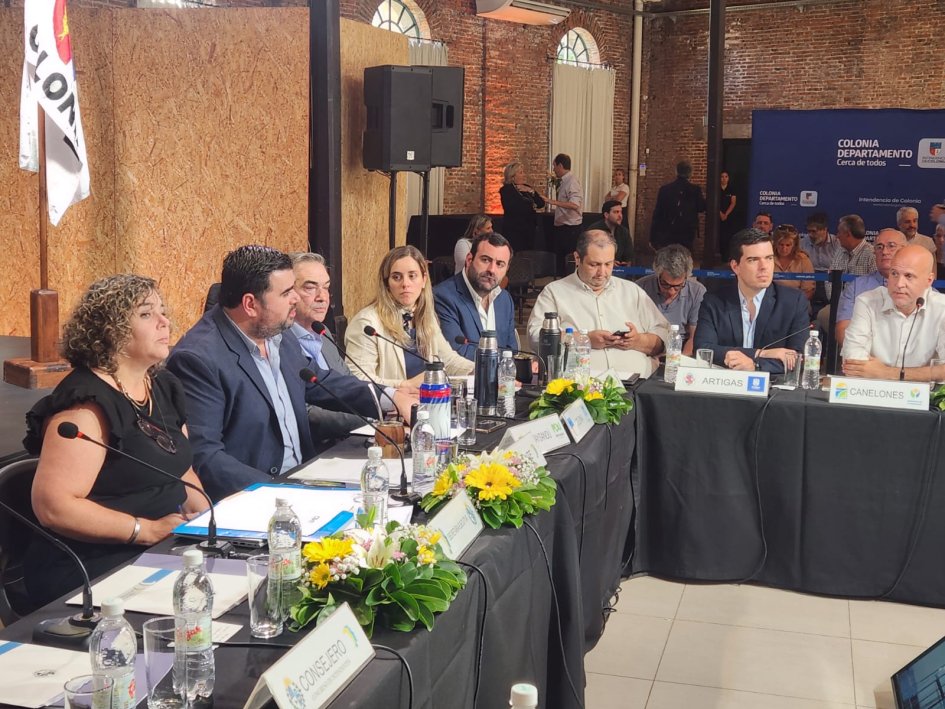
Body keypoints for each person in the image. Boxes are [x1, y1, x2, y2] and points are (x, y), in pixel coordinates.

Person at [23, 275, 210, 606]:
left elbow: (181, 469)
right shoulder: (85, 407)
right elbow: (54, 506)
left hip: (165, 546)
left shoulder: (162, 386)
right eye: (146, 314)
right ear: (110, 331)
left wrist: (210, 525)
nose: (164, 322)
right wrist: (144, 530)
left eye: (163, 311)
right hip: (96, 563)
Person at [167, 245, 316, 501]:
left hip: (303, 480)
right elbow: (204, 455)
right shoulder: (198, 358)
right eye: (286, 292)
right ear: (250, 304)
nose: (296, 299)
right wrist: (280, 492)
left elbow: (318, 381)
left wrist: (386, 397)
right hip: (253, 496)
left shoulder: (277, 333)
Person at [290, 252, 414, 441]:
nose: (322, 297)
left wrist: (391, 400)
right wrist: (376, 418)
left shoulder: (322, 332)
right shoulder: (280, 342)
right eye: (310, 288)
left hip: (347, 440)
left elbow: (349, 383)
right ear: (288, 293)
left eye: (326, 288)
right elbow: (307, 413)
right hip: (315, 448)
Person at [527, 229, 669, 378]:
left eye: (608, 264)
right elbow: (536, 337)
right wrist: (584, 340)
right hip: (579, 385)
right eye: (594, 265)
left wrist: (638, 341)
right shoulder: (555, 292)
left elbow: (665, 336)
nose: (602, 273)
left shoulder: (632, 291)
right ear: (577, 258)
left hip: (638, 383)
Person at [346, 245, 474, 389]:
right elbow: (357, 379)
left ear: (424, 279)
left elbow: (447, 361)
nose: (405, 284)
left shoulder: (425, 316)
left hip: (426, 399)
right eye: (396, 277)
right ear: (387, 283)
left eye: (412, 276)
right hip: (391, 403)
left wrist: (478, 371)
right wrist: (404, 385)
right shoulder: (366, 323)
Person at [694, 228, 810, 373]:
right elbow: (702, 350)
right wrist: (761, 353)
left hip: (772, 385)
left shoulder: (793, 302)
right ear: (735, 266)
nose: (764, 267)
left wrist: (755, 366)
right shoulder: (714, 301)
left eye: (769, 258)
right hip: (725, 382)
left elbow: (799, 358)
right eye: (753, 260)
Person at [842, 245, 945, 381]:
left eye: (909, 276)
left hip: (923, 394)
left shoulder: (941, 308)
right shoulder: (867, 302)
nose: (899, 284)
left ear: (929, 281)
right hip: (873, 391)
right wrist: (926, 374)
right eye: (894, 274)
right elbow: (853, 363)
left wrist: (887, 373)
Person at [434, 232, 516, 359]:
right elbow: (457, 353)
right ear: (469, 260)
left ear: (507, 269)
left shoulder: (505, 300)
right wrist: (503, 363)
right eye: (485, 260)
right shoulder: (443, 296)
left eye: (500, 264)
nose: (492, 270)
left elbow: (512, 351)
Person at [834, 229, 907, 346]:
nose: (884, 251)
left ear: (905, 250)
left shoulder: (919, 288)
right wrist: (865, 355)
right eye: (879, 247)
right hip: (863, 353)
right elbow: (843, 330)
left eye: (891, 246)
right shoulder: (857, 287)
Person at [636, 244, 706, 356]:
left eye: (678, 286)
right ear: (657, 274)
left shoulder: (697, 291)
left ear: (686, 277)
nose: (671, 291)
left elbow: (694, 338)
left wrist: (679, 361)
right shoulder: (640, 288)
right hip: (648, 348)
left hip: (680, 351)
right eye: (665, 284)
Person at [650, 160, 706, 251]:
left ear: (676, 172)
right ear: (690, 173)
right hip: (687, 230)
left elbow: (657, 213)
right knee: (685, 254)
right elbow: (701, 207)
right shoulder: (695, 190)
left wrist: (653, 237)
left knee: (669, 254)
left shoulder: (665, 190)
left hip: (668, 229)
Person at [546, 153, 585, 274]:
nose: (553, 169)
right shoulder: (564, 181)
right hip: (563, 227)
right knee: (561, 262)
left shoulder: (572, 182)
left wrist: (552, 202)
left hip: (570, 229)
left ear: (560, 165)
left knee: (569, 262)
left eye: (554, 166)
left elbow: (574, 204)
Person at [499, 162, 545, 253]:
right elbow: (512, 208)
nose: (523, 175)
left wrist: (531, 191)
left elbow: (541, 203)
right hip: (514, 230)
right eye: (520, 172)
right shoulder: (506, 190)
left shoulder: (527, 188)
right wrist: (531, 206)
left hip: (529, 230)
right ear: (512, 176)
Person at [773, 225, 815, 302]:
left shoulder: (803, 260)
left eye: (788, 245)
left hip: (797, 302)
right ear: (775, 243)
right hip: (771, 301)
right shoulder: (768, 258)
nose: (784, 249)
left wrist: (794, 303)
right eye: (781, 244)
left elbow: (808, 291)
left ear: (794, 245)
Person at [588, 200, 633, 264]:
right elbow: (590, 254)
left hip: (619, 268)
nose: (620, 215)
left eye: (621, 212)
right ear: (606, 215)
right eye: (616, 212)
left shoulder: (624, 231)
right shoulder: (595, 230)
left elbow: (628, 256)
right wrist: (609, 263)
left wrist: (625, 264)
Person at [718, 171, 737, 261]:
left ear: (728, 178)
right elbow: (714, 201)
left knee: (727, 236)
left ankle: (726, 256)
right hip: (718, 216)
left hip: (728, 217)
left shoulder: (732, 189)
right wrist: (720, 213)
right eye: (722, 176)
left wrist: (726, 214)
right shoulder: (716, 188)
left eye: (726, 176)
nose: (724, 178)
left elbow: (733, 203)